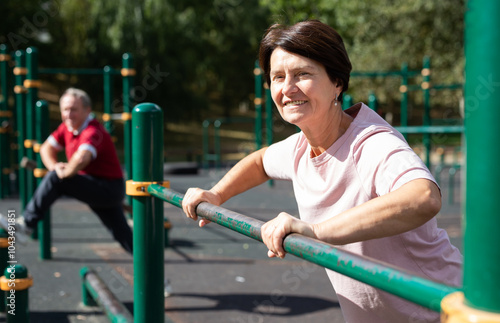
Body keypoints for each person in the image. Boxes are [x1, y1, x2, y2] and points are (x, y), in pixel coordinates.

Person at [182, 20, 462, 322]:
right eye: (278, 77)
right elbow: (261, 161)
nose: (287, 88)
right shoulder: (300, 147)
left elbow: (423, 197)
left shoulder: (370, 143)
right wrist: (216, 193)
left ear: (337, 83)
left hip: (444, 311)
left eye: (303, 74)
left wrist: (316, 232)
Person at [1, 88, 133, 254]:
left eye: (74, 110)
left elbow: (81, 158)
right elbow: (46, 148)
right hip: (95, 186)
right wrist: (54, 167)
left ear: (87, 110)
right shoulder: (68, 127)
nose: (68, 114)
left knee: (56, 179)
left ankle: (26, 226)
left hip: (108, 188)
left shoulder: (93, 130)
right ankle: (154, 274)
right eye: (65, 109)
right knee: (123, 234)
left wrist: (64, 173)